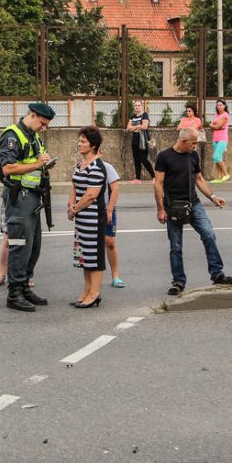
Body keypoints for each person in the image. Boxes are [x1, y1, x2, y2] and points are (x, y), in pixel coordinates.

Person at [153, 128, 232, 296]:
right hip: (173, 207)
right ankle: (178, 281)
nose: (196, 146)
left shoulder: (193, 156)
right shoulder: (164, 157)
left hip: (194, 204)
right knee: (176, 246)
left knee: (209, 234)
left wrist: (213, 197)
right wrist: (161, 209)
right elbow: (158, 184)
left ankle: (217, 273)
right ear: (183, 142)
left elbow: (199, 179)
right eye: (194, 143)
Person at [0, 102, 55, 311]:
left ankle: (24, 286)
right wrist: (38, 164)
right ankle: (14, 293)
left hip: (32, 197)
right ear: (32, 115)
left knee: (33, 246)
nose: (44, 127)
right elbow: (7, 168)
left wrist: (46, 163)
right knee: (19, 245)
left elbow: (35, 160)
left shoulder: (33, 136)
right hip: (18, 198)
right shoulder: (12, 135)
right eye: (42, 123)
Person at [67, 126, 107, 308]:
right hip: (81, 219)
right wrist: (70, 204)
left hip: (93, 219)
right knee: (84, 256)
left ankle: (94, 293)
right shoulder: (80, 165)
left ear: (93, 145)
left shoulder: (97, 167)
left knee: (95, 256)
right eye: (80, 140)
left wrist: (74, 209)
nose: (79, 144)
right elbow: (74, 186)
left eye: (83, 141)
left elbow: (91, 195)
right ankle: (86, 290)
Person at [98, 148, 124, 288]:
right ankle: (95, 279)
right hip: (88, 212)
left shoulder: (107, 167)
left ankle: (115, 276)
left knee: (110, 242)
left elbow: (115, 189)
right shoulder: (81, 167)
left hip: (106, 209)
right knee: (93, 245)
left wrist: (109, 210)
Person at [126, 100, 154, 183]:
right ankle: (138, 179)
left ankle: (154, 176)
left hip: (143, 140)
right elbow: (128, 128)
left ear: (141, 106)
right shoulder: (133, 116)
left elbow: (145, 126)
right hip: (135, 140)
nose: (137, 107)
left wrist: (135, 126)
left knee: (143, 159)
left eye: (138, 105)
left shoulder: (144, 115)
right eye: (135, 105)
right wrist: (138, 127)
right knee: (136, 160)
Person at [209, 98, 231, 182]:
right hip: (215, 138)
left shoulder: (225, 115)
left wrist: (214, 126)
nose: (219, 106)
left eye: (221, 105)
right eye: (217, 105)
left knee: (216, 156)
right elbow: (212, 126)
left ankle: (226, 174)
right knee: (218, 159)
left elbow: (217, 126)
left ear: (224, 106)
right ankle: (218, 178)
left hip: (223, 139)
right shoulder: (216, 115)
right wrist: (214, 126)